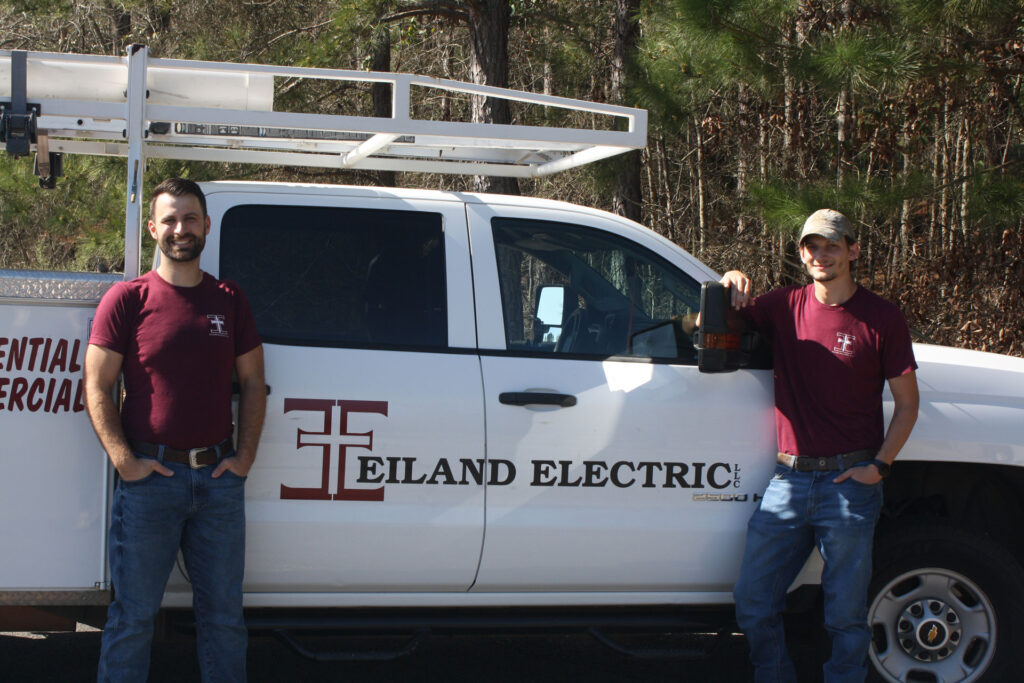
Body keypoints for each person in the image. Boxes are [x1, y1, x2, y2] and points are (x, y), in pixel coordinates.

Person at [724, 209, 919, 682]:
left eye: (832, 245)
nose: (821, 254)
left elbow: (908, 404)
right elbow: (726, 312)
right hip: (788, 481)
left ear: (853, 250)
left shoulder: (882, 317)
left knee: (846, 617)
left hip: (849, 484)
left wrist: (880, 466)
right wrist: (727, 277)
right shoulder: (783, 306)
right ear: (801, 253)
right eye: (812, 246)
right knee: (752, 603)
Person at [84, 178, 266, 682]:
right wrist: (127, 463)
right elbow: (97, 387)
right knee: (133, 618)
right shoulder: (127, 299)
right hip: (149, 484)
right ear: (152, 229)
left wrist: (244, 457)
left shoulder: (230, 299)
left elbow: (253, 383)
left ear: (207, 226)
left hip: (218, 482)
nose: (179, 229)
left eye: (189, 218)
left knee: (225, 621)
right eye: (169, 219)